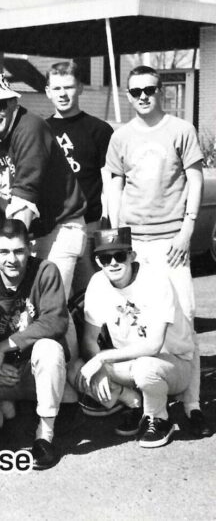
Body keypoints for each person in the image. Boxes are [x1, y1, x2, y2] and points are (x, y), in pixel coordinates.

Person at [106, 65, 212, 438]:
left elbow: (195, 178)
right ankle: (149, 407)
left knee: (183, 321)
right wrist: (117, 238)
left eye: (150, 89)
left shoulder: (181, 130)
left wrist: (187, 230)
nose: (143, 96)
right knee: (137, 324)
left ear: (161, 90)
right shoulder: (121, 137)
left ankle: (193, 405)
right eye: (136, 91)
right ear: (128, 95)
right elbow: (115, 184)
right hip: (134, 244)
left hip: (171, 241)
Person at [72, 227, 195, 448]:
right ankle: (133, 402)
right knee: (76, 371)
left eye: (119, 256)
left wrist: (102, 359)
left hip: (173, 364)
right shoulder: (98, 283)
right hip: (128, 364)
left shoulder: (156, 280)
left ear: (131, 255)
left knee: (145, 367)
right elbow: (89, 339)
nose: (113, 263)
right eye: (104, 258)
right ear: (97, 261)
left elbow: (154, 345)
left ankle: (158, 418)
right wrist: (99, 366)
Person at [0, 72, 87, 301]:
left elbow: (25, 198)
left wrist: (11, 254)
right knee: (22, 308)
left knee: (49, 307)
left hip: (59, 227)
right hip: (26, 230)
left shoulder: (31, 127)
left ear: (14, 102)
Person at [0, 219, 69, 470]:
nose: (11, 259)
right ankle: (2, 416)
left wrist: (4, 346)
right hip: (5, 378)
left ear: (30, 248)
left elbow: (56, 322)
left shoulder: (45, 271)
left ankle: (45, 436)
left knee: (48, 348)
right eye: (3, 252)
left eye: (18, 251)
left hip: (38, 373)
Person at [45, 61, 114, 294]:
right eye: (56, 88)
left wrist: (110, 219)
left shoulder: (99, 130)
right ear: (47, 92)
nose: (62, 94)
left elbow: (110, 181)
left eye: (69, 87)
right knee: (58, 293)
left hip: (91, 223)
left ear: (80, 88)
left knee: (92, 293)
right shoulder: (40, 130)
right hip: (55, 226)